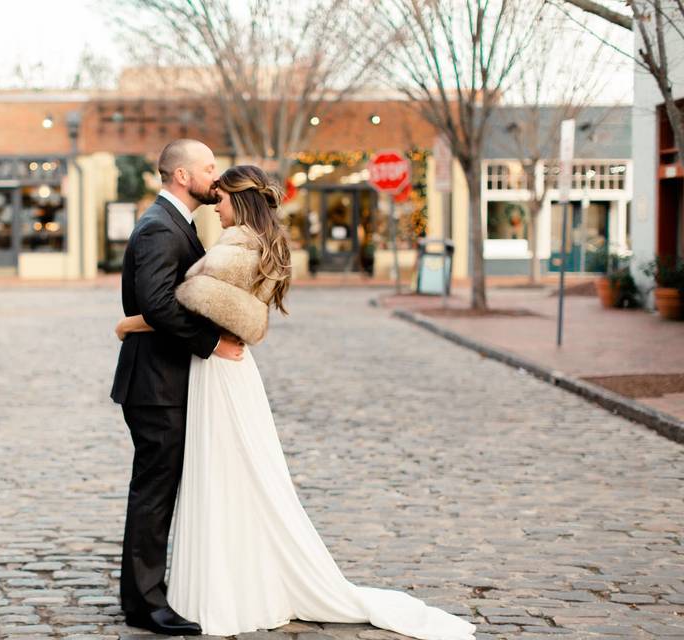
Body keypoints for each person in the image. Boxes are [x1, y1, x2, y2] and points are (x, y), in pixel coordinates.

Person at [115, 165, 477, 640]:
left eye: (221, 199)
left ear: (239, 203)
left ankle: (220, 586)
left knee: (225, 475)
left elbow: (187, 299)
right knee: (226, 476)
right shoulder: (252, 240)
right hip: (218, 368)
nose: (216, 206)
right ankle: (216, 583)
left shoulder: (238, 241)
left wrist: (131, 325)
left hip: (220, 368)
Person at [110, 139, 246, 637]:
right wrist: (213, 341)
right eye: (209, 168)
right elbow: (159, 304)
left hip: (168, 380)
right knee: (153, 493)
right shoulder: (156, 228)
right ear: (183, 176)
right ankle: (145, 605)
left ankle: (146, 594)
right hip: (156, 385)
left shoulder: (178, 225)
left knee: (160, 491)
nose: (217, 175)